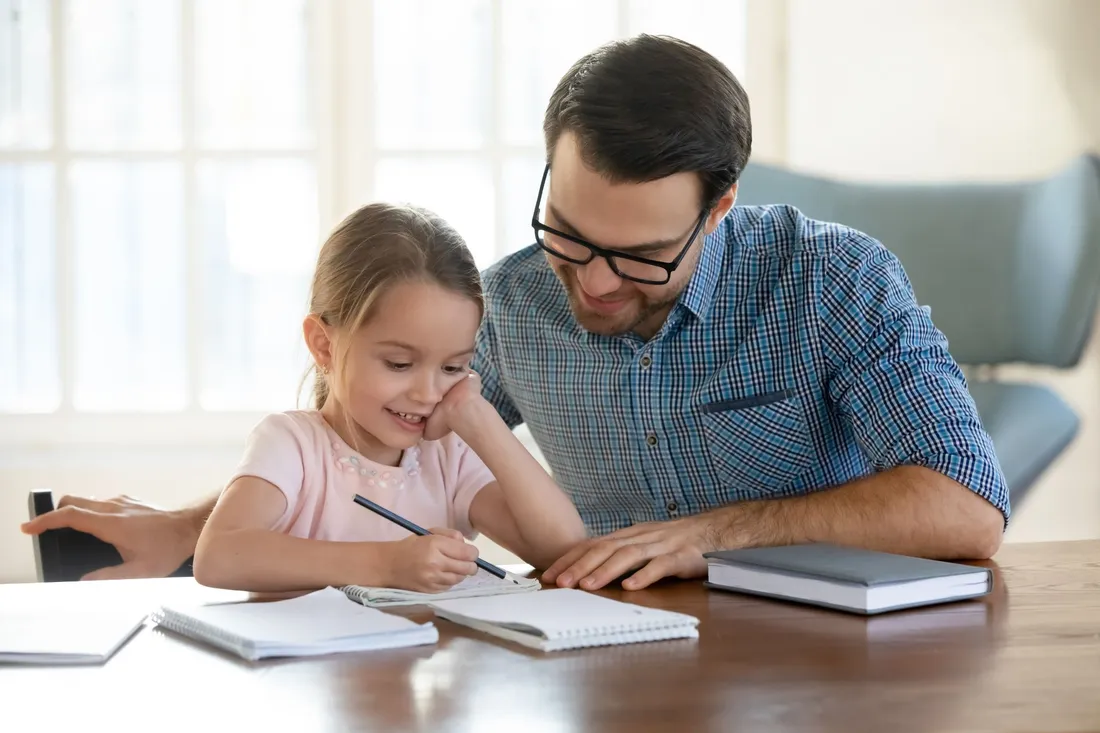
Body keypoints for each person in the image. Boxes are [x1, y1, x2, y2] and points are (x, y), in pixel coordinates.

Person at [21, 34, 1009, 590]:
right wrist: (196, 525)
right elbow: (383, 424)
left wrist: (708, 532)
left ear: (717, 211)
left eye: (639, 257)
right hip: (601, 660)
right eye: (569, 235)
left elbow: (966, 502)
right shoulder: (511, 301)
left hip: (823, 670)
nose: (593, 286)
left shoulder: (831, 283)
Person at [195, 202, 585, 592]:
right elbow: (218, 556)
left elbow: (565, 552)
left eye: (452, 368)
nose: (428, 393)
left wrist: (479, 417)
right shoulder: (292, 445)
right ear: (324, 345)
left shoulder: (449, 456)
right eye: (399, 364)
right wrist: (385, 564)